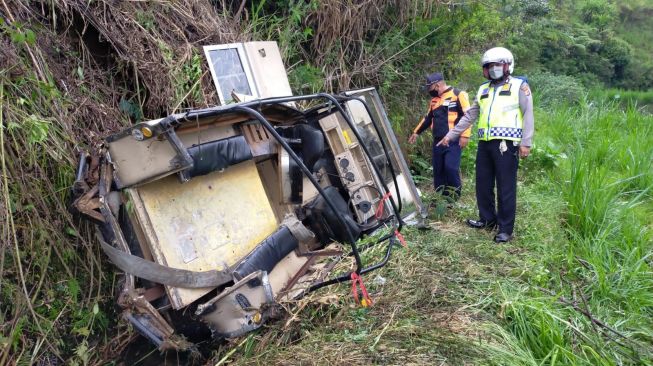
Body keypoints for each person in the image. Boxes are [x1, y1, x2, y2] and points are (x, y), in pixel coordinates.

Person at [437, 47, 534, 243]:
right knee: (483, 183)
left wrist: (526, 142)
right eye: (489, 66)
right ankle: (487, 219)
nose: (493, 69)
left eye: (497, 65)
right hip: (485, 144)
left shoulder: (519, 86)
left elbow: (528, 114)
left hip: (507, 145)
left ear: (507, 66)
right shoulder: (483, 89)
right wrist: (451, 135)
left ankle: (505, 229)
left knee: (505, 187)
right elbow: (470, 116)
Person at [408, 72, 471, 200]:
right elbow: (427, 118)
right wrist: (416, 132)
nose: (429, 91)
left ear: (437, 85)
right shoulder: (434, 100)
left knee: (450, 168)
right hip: (437, 141)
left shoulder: (458, 94)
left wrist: (465, 135)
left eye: (430, 88)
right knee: (438, 170)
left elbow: (468, 116)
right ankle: (441, 198)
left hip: (453, 140)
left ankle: (454, 197)